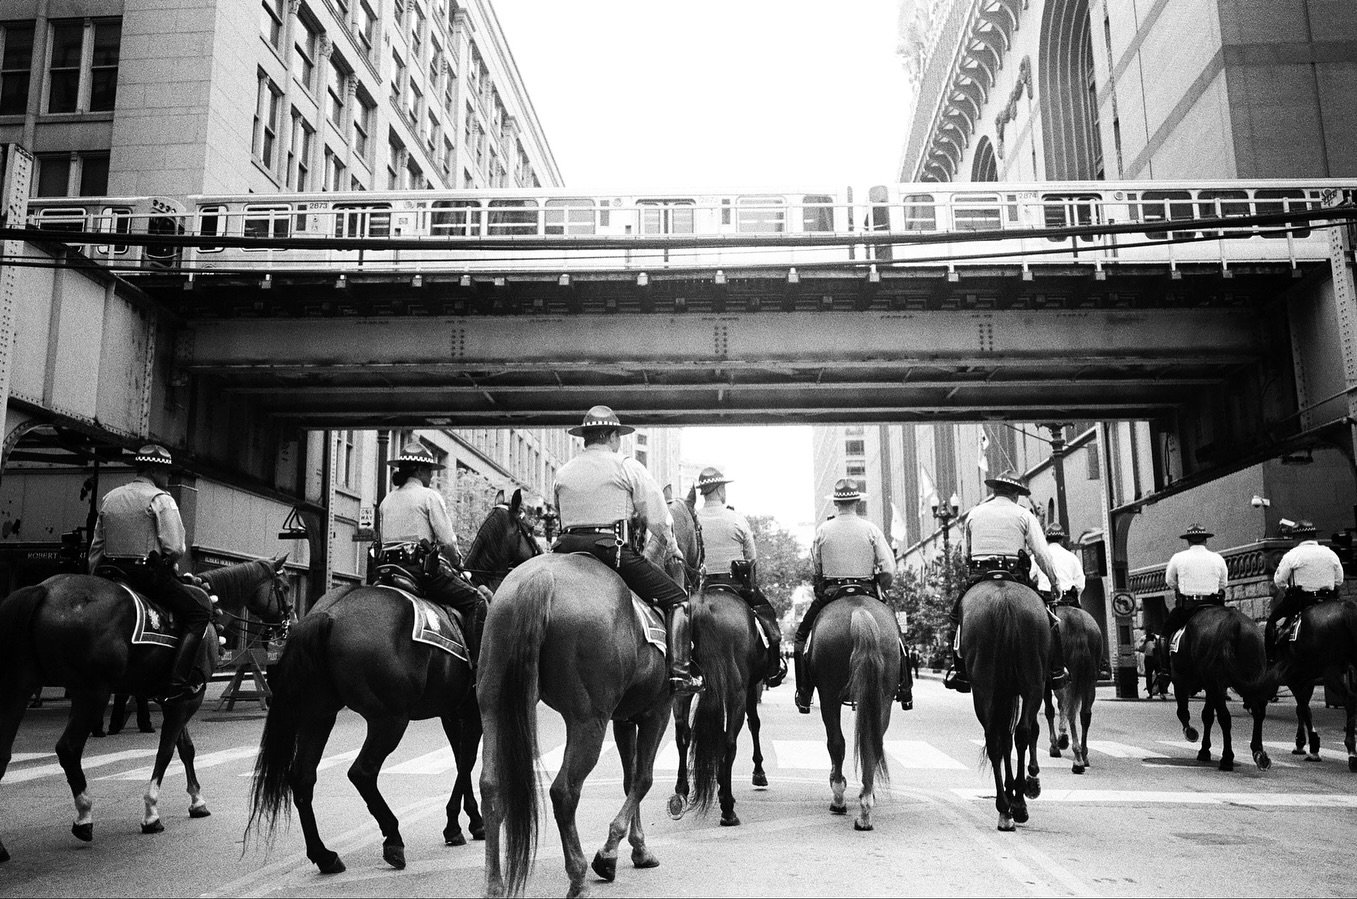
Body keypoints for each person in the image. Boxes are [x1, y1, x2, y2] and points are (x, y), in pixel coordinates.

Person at [551, 405, 703, 696]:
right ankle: (681, 674)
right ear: (610, 436)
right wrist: (671, 546)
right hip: (611, 552)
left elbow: (560, 512)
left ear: (586, 438)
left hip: (564, 551)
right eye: (617, 436)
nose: (618, 441)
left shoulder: (563, 472)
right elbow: (657, 516)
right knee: (679, 601)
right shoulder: (626, 466)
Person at [89, 444, 214, 702]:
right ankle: (177, 682)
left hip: (110, 574)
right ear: (154, 470)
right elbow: (175, 547)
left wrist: (94, 579)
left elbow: (97, 546)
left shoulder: (110, 497)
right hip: (146, 576)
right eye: (165, 471)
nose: (168, 478)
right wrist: (171, 565)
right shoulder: (161, 499)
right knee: (199, 612)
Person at [793, 478, 911, 713]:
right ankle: (905, 688)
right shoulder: (871, 529)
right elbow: (888, 568)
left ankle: (804, 693)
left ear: (836, 504)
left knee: (800, 640)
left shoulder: (822, 531)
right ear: (857, 502)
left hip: (831, 595)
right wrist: (881, 588)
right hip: (867, 591)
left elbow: (816, 569)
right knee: (898, 640)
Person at [944, 470, 1068, 694]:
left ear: (995, 490)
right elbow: (1041, 554)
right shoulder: (1024, 515)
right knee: (1050, 621)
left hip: (979, 576)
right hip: (1016, 575)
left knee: (955, 621)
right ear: (1016, 494)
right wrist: (1054, 582)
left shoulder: (974, 514)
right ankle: (1057, 671)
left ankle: (960, 671)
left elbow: (965, 554)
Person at [376, 441, 487, 664]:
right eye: (428, 470)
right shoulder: (428, 496)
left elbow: (381, 539)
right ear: (418, 470)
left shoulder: (386, 501)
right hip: (421, 572)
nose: (430, 476)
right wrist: (457, 563)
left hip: (388, 572)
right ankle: (478, 667)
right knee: (477, 602)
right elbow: (447, 542)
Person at [694, 467, 785, 687]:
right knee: (768, 616)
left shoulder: (693, 519)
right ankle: (773, 668)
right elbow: (752, 559)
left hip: (700, 589)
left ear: (704, 492)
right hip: (735, 586)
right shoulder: (736, 519)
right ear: (719, 489)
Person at [1266, 520, 1343, 663]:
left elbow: (1279, 581)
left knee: (1272, 622)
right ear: (1313, 536)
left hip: (1301, 600)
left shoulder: (1292, 555)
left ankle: (1270, 662)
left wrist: (1287, 589)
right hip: (1328, 599)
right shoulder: (1330, 553)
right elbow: (1339, 580)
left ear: (1298, 538)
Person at [1161, 524, 1229, 666]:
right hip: (1215, 606)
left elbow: (1169, 581)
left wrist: (1181, 587)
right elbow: (1224, 584)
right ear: (1205, 540)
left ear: (1189, 541)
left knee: (1165, 633)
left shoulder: (1178, 557)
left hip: (1188, 608)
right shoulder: (1218, 558)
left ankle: (1165, 670)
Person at [1031, 521, 1086, 607]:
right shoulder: (1072, 557)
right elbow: (1080, 585)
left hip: (1045, 600)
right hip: (1068, 599)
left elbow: (1030, 576)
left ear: (1046, 540)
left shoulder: (1037, 557)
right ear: (1061, 540)